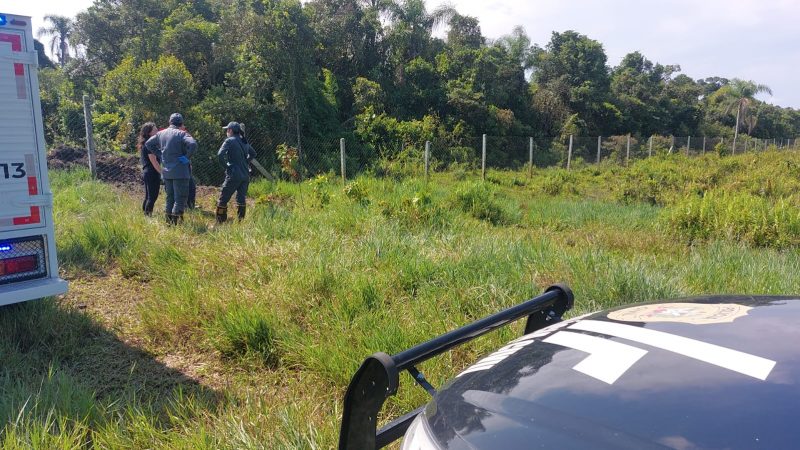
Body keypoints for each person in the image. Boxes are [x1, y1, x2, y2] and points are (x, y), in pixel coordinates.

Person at [145, 113, 197, 225]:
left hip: (167, 171)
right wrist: (187, 157)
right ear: (181, 123)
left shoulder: (160, 134)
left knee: (170, 198)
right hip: (181, 172)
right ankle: (176, 223)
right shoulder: (182, 134)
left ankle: (168, 222)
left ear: (170, 122)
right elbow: (193, 144)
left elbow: (148, 144)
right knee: (180, 198)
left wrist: (160, 154)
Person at [216, 121, 256, 223]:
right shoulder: (244, 141)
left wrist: (226, 166)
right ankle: (240, 222)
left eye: (227, 130)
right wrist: (245, 162)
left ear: (230, 130)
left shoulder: (229, 141)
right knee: (241, 199)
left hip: (233, 174)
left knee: (223, 199)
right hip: (245, 175)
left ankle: (220, 222)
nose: (226, 132)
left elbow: (220, 155)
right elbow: (253, 153)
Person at [138, 122, 161, 216]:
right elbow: (153, 161)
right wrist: (162, 172)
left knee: (148, 195)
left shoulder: (145, 143)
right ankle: (148, 216)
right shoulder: (149, 144)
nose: (157, 131)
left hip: (147, 172)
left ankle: (145, 213)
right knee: (153, 196)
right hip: (152, 172)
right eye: (155, 130)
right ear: (149, 132)